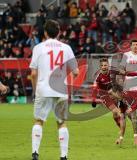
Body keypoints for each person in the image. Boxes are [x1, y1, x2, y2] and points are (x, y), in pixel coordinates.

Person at [29, 20, 79, 160]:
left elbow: (33, 74)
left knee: (39, 121)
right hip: (61, 90)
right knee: (62, 123)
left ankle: (35, 153)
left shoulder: (38, 48)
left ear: (45, 32)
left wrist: (35, 91)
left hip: (43, 89)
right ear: (59, 32)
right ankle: (63, 156)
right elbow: (75, 72)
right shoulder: (66, 48)